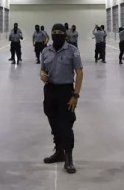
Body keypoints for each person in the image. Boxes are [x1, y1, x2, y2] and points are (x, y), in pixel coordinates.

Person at [40, 23, 84, 174]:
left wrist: (76, 95)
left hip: (66, 92)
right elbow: (42, 71)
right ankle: (58, 152)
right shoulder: (46, 51)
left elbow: (79, 73)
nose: (57, 34)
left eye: (60, 32)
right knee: (54, 125)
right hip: (50, 91)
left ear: (64, 34)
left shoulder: (73, 51)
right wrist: (42, 75)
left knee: (66, 126)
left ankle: (69, 158)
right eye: (54, 32)